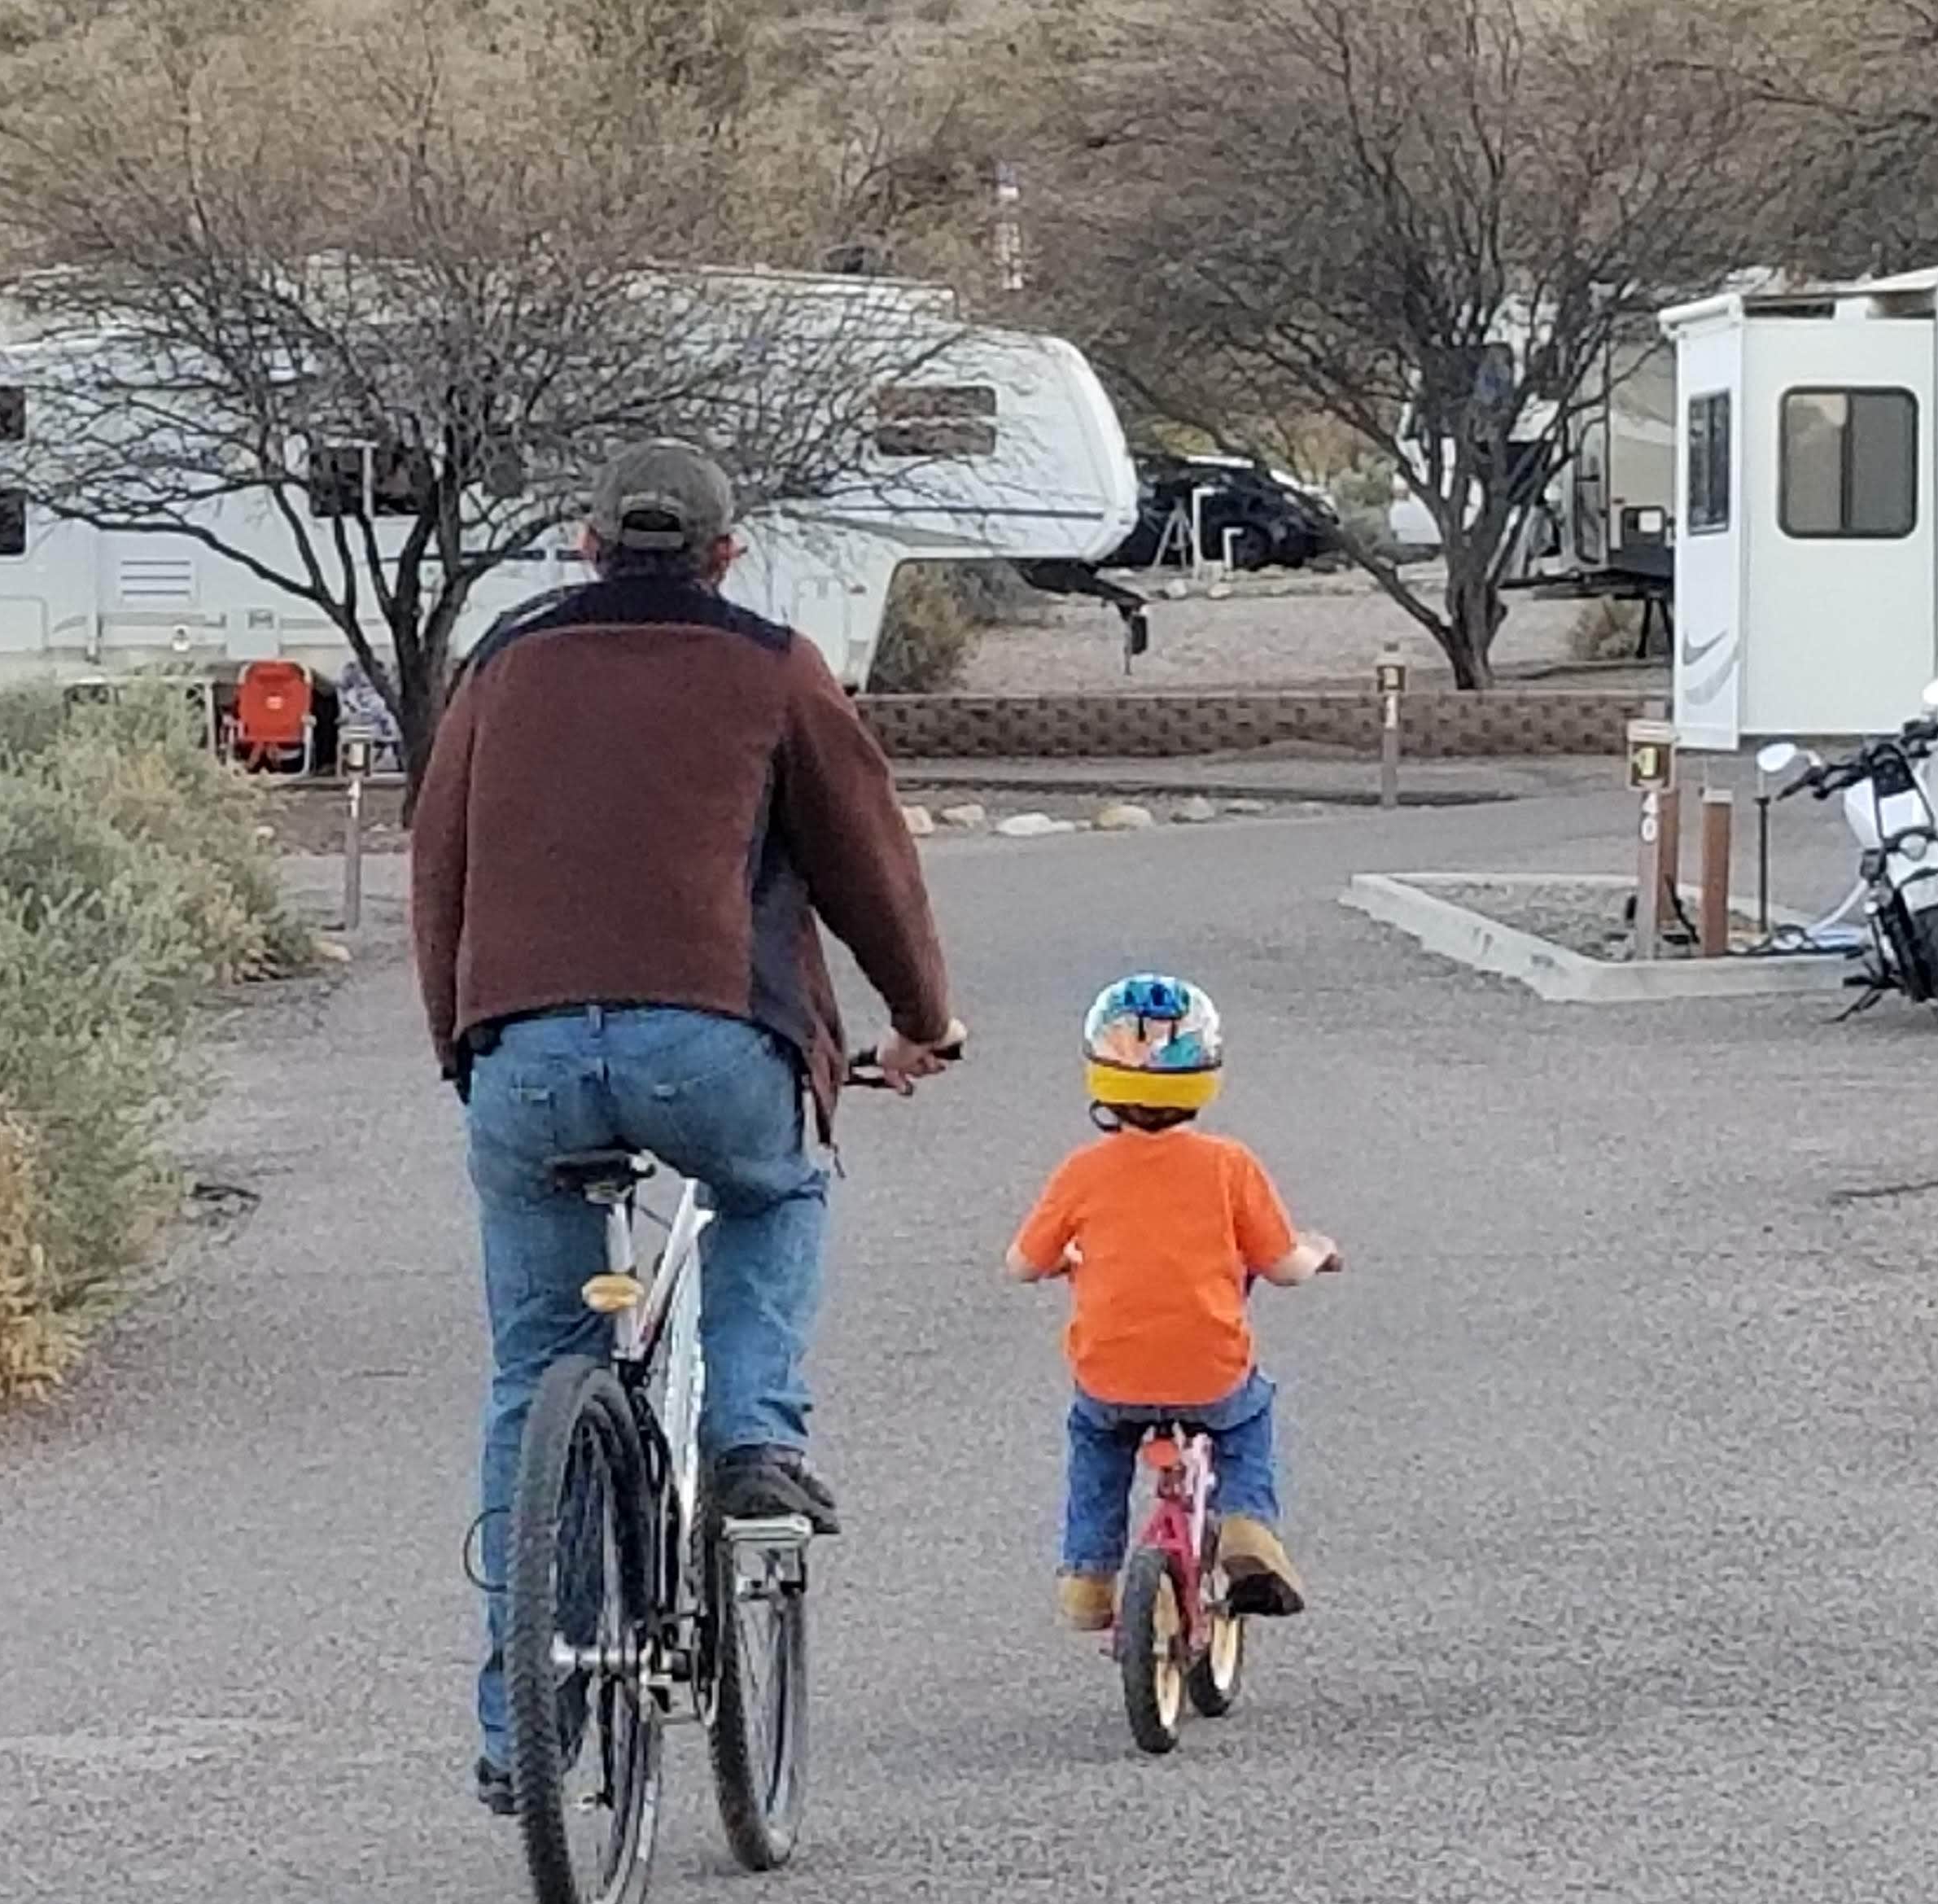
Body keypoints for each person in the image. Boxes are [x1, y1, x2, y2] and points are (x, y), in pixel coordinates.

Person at [412, 439, 961, 1814]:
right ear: (725, 553)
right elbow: (866, 859)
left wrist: (466, 1042)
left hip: (520, 1044)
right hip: (714, 1039)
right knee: (774, 1192)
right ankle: (752, 1448)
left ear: (586, 545)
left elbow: (439, 866)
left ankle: (516, 1719)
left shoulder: (498, 664)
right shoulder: (772, 662)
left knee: (533, 1360)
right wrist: (920, 1019)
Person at [1004, 974, 1339, 1633]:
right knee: (1248, 1418)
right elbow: (1283, 1266)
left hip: (1111, 1378)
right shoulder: (1229, 1166)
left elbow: (1021, 1265)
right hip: (1209, 1376)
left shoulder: (1083, 1171)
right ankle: (1247, 1527)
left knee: (1095, 1442)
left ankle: (1089, 1577)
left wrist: (1063, 1262)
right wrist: (1319, 1251)